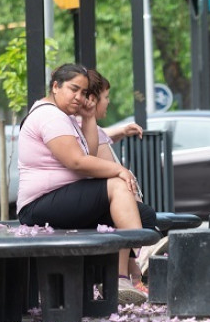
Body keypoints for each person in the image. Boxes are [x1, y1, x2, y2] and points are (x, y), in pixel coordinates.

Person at [17, 63, 156, 304]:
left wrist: (89, 117)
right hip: (39, 205)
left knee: (142, 213)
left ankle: (126, 270)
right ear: (56, 86)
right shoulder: (49, 115)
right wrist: (120, 170)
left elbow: (88, 152)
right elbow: (76, 161)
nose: (79, 97)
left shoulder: (65, 117)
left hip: (62, 198)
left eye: (83, 92)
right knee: (116, 186)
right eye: (73, 89)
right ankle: (134, 264)